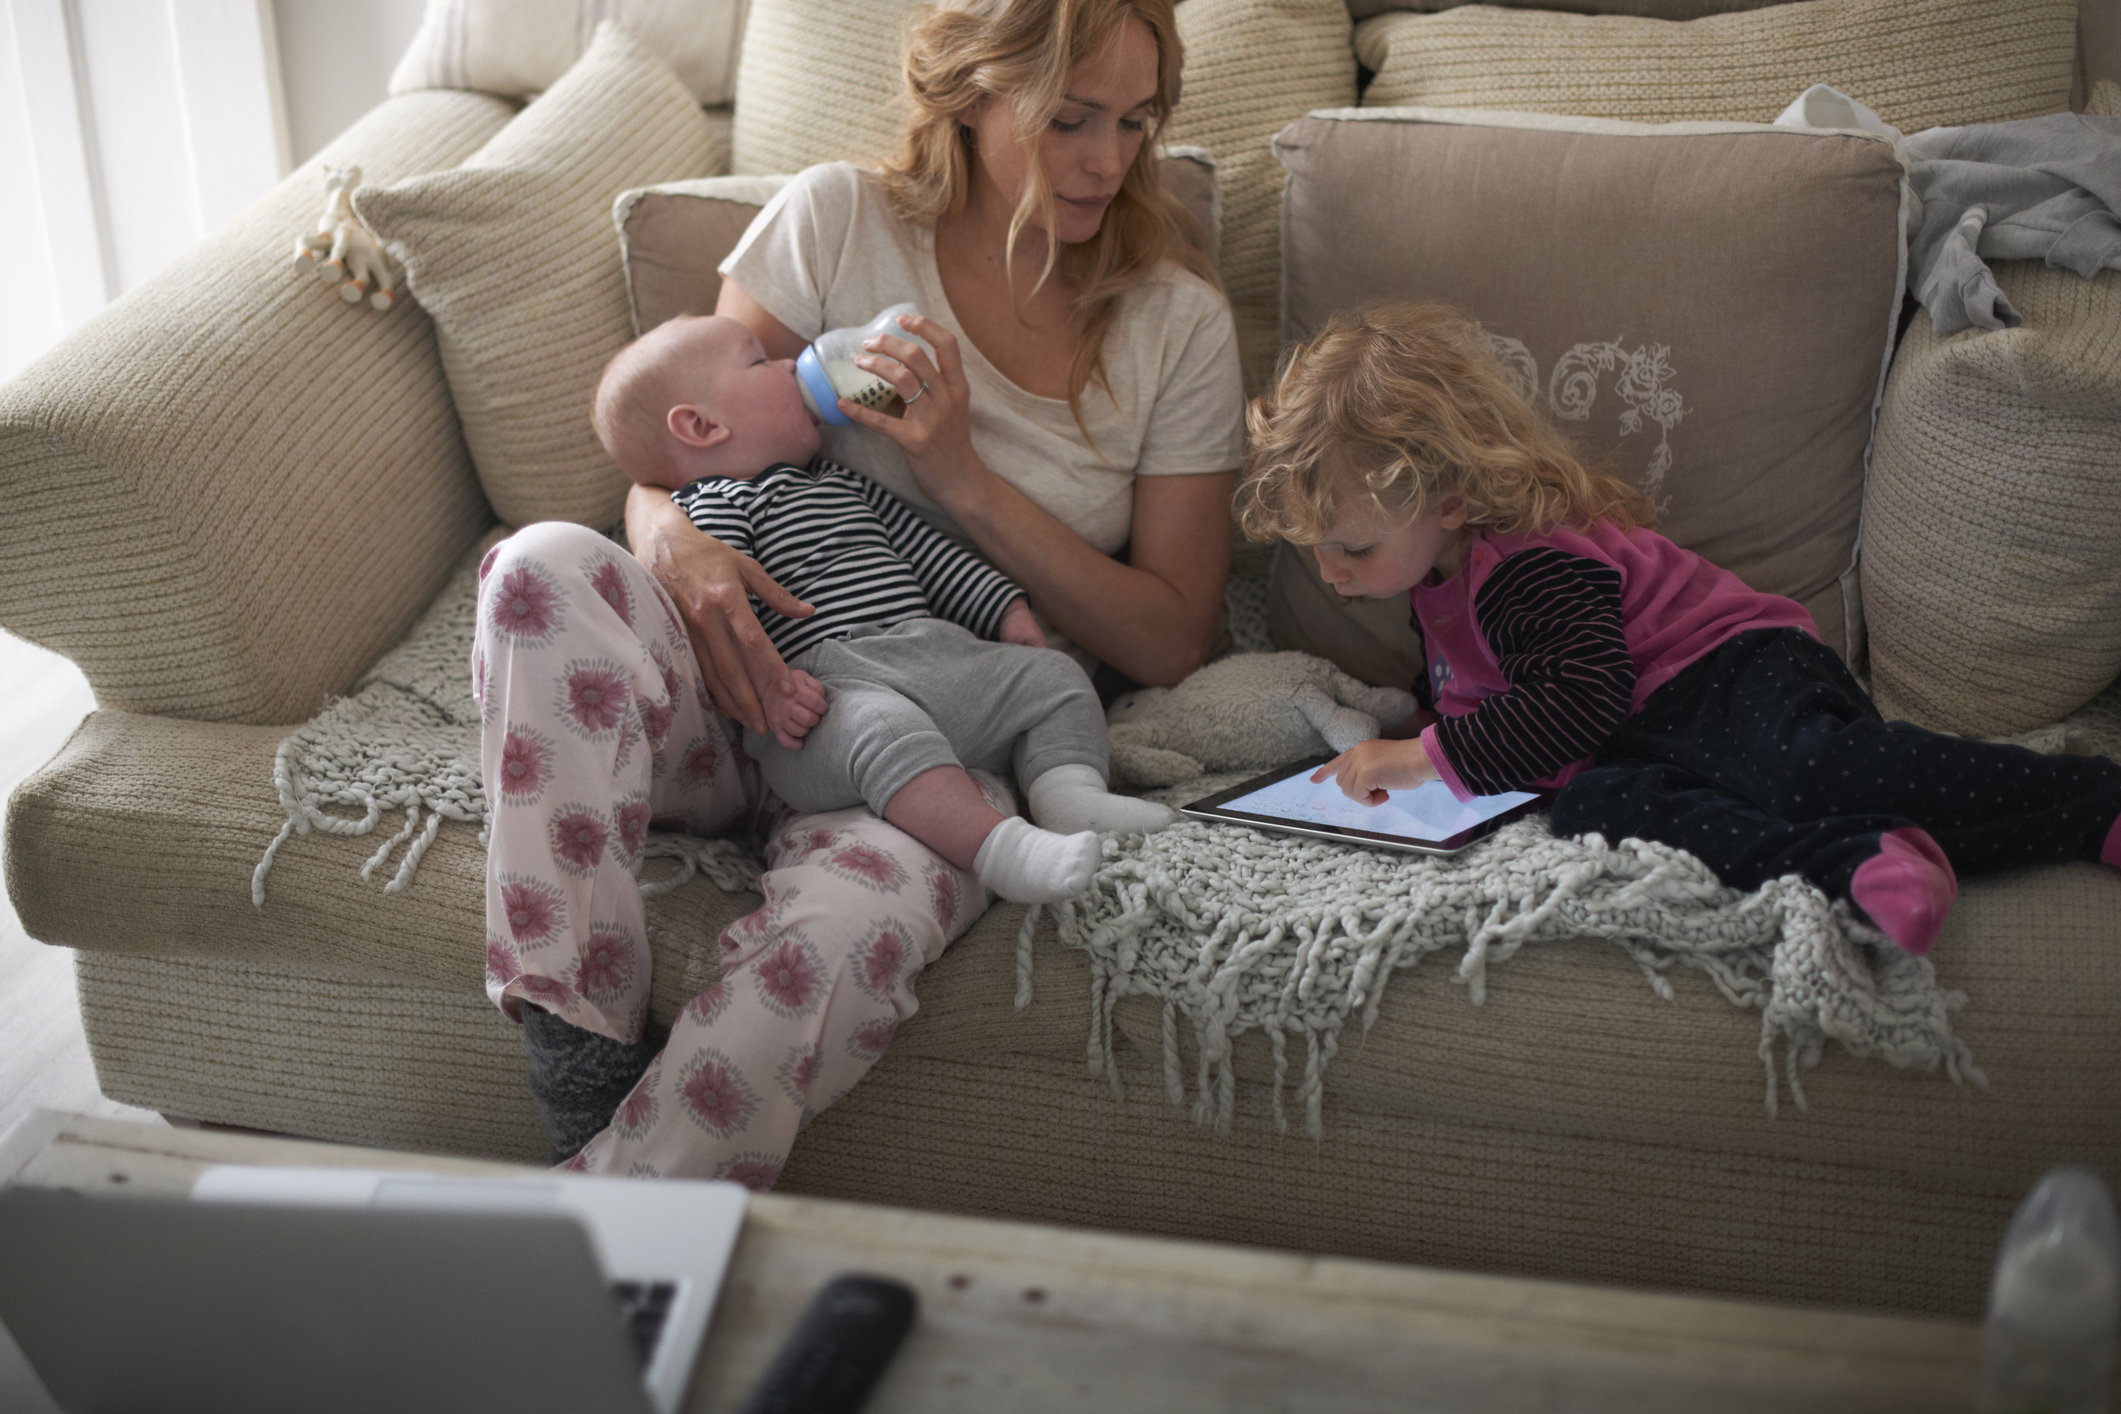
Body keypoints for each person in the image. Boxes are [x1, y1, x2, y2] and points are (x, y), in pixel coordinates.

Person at [473, 0, 1242, 1181]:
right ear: (972, 96)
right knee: (536, 568)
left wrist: (965, 481)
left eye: (1136, 121)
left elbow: (1174, 637)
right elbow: (676, 444)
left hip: (929, 744)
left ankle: (604, 1216)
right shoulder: (836, 220)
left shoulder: (1174, 324)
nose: (1108, 159)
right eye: (1070, 118)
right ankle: (577, 1049)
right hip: (735, 686)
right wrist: (675, 546)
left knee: (841, 936)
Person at [1234, 302, 2121, 956]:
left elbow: (1577, 699)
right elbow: (1491, 689)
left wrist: (1420, 758)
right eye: (1316, 551)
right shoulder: (1434, 573)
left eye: (1351, 547)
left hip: (1731, 672)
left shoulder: (1528, 562)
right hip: (1639, 733)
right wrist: (1417, 731)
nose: (1332, 574)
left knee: (1806, 770)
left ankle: (2094, 803)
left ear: (1451, 498)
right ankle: (1852, 863)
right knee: (1593, 810)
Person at [594, 310, 1176, 903]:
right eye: (761, 361)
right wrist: (771, 690)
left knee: (1055, 677)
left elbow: (927, 552)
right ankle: (1002, 850)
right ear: (701, 425)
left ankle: (1068, 795)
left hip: (933, 652)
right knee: (882, 730)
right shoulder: (709, 513)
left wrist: (1004, 608)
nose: (790, 363)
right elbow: (720, 621)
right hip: (829, 697)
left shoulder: (841, 481)